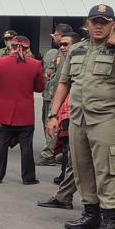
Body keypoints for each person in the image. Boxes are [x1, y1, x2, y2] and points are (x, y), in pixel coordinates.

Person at [47, 5, 115, 229]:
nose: (99, 26)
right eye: (94, 21)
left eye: (104, 22)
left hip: (105, 119)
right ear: (87, 24)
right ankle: (91, 213)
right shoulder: (77, 49)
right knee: (82, 168)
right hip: (77, 118)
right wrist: (53, 115)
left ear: (113, 25)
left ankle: (110, 219)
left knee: (108, 169)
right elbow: (64, 83)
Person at [0, 36, 44, 184]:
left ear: (10, 46)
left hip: (4, 112)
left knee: (1, 145)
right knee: (26, 147)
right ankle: (28, 177)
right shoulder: (36, 64)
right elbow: (40, 88)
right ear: (28, 48)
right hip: (25, 113)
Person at [37, 23, 73, 165]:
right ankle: (58, 151)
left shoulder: (66, 53)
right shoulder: (57, 52)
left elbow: (60, 79)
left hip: (56, 96)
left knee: (52, 123)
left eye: (55, 35)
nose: (53, 38)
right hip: (51, 94)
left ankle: (49, 153)